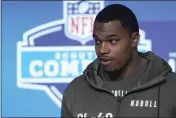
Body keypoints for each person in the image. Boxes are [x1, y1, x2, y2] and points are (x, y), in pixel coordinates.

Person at [61, 4, 176, 118]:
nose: (102, 50)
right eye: (97, 41)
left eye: (112, 41)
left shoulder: (171, 87)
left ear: (134, 40)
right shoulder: (76, 90)